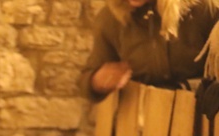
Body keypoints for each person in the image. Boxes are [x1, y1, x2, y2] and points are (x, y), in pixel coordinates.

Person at [79, 0, 219, 102]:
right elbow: (86, 81)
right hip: (143, 129)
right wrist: (97, 81)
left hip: (203, 124)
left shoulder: (204, 9)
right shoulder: (110, 18)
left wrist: (183, 89)